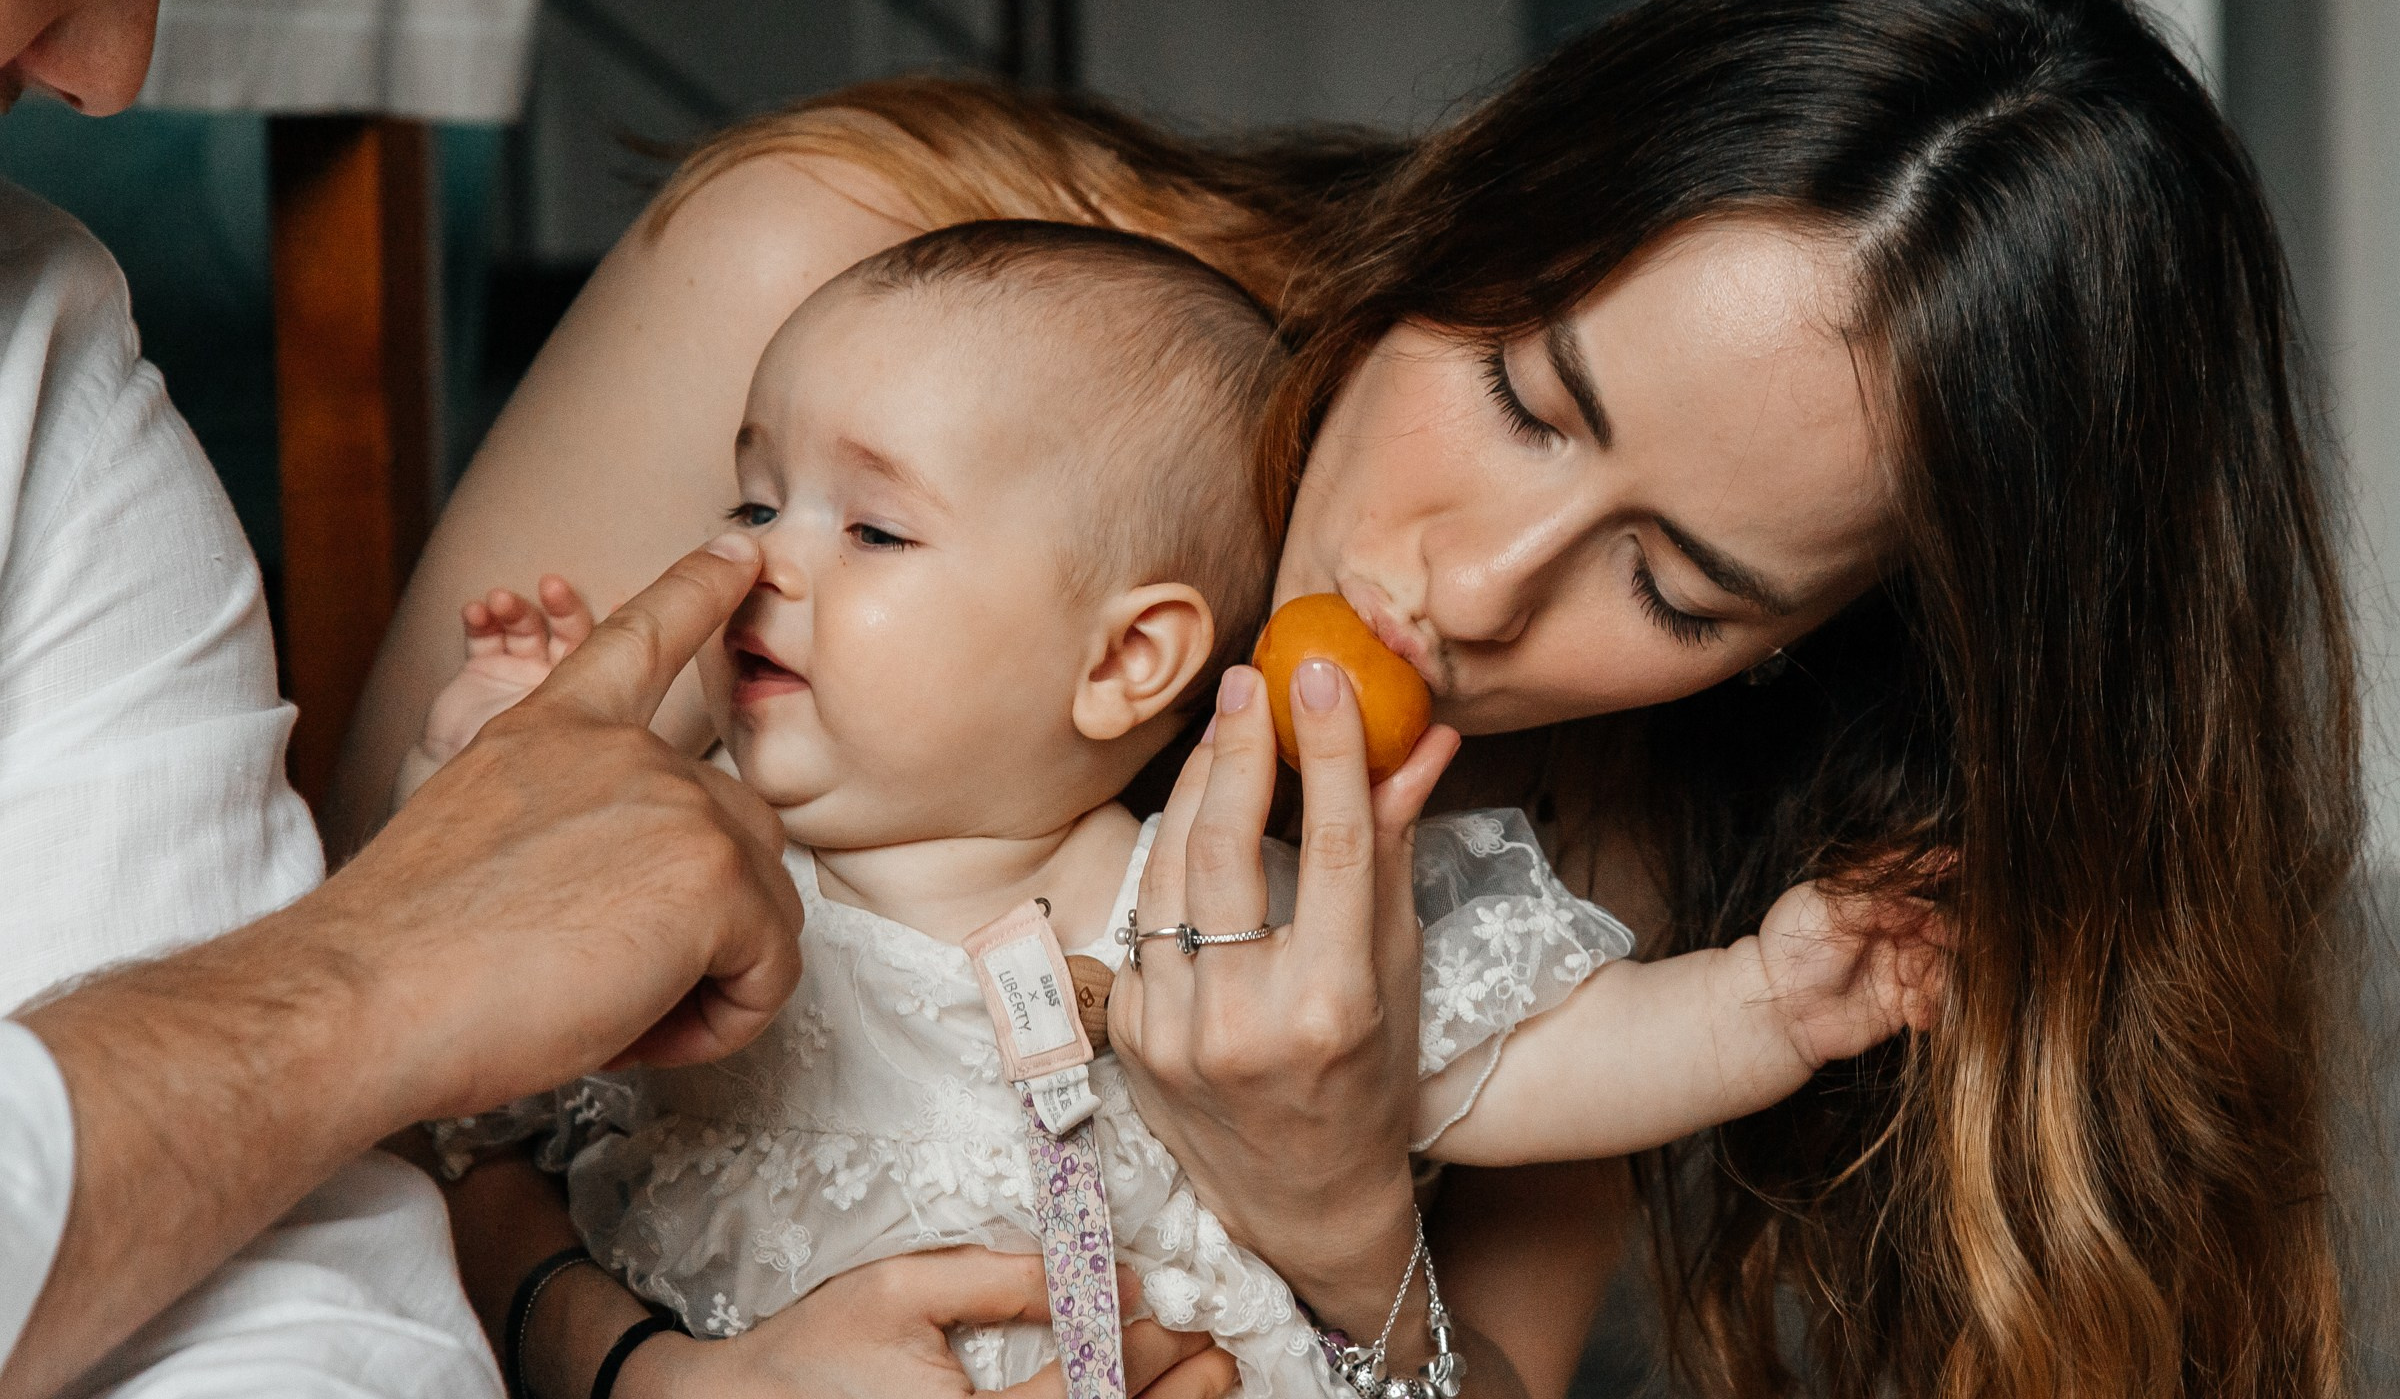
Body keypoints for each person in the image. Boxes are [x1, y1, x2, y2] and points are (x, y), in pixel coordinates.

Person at [338, 0, 2359, 1399]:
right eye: (1523, 396)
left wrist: (1332, 1217)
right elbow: (355, 1083)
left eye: (1674, 588)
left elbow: (1482, 1338)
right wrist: (646, 1373)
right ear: (1477, 202)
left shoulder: (1596, 796)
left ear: (1792, 652)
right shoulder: (839, 313)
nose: (1472, 593)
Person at [0, 0, 1220, 1398]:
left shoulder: (57, 368)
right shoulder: (734, 901)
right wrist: (417, 915)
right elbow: (444, 1133)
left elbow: (281, 1276)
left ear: (1135, 656)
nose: (114, 73)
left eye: (874, 530)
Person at [402, 217, 1942, 1395]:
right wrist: (496, 758)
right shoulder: (699, 845)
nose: (766, 560)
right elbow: (464, 999)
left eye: (871, 530)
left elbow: (1535, 1060)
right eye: (755, 499)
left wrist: (1771, 999)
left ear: (1125, 660)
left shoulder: (1200, 904)